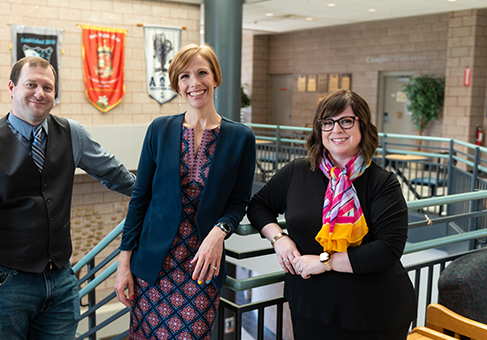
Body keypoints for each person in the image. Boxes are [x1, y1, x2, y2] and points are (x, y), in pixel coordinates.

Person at [0, 56, 136, 340]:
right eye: (31, 84)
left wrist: (158, 195)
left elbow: (116, 175)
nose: (40, 93)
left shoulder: (73, 134)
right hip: (6, 284)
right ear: (12, 88)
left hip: (60, 280)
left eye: (47, 87)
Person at [247, 89, 417, 339]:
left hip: (373, 313)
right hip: (310, 307)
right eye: (327, 122)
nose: (336, 129)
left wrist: (324, 262)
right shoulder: (298, 172)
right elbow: (258, 206)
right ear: (319, 129)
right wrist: (278, 238)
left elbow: (388, 249)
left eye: (346, 121)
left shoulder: (382, 182)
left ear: (363, 127)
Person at [114, 44, 256, 339]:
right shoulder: (159, 129)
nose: (194, 83)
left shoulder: (241, 138)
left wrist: (220, 231)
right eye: (184, 76)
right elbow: (140, 199)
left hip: (201, 267)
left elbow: (239, 201)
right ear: (177, 85)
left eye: (202, 73)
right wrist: (123, 264)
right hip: (153, 267)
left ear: (215, 77)